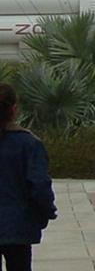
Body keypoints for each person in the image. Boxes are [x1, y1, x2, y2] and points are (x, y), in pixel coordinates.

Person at [0, 83, 56, 271]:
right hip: (18, 225)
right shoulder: (28, 143)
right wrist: (47, 211)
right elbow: (39, 185)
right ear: (14, 109)